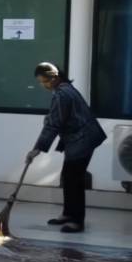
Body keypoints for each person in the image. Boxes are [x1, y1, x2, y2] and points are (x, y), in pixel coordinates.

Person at [28, 62, 106, 234]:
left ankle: (77, 221)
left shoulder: (62, 94)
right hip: (81, 138)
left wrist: (37, 149)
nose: (44, 85)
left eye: (46, 81)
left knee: (74, 179)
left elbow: (54, 124)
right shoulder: (65, 89)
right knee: (68, 177)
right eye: (41, 82)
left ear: (55, 77)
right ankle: (68, 214)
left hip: (82, 139)